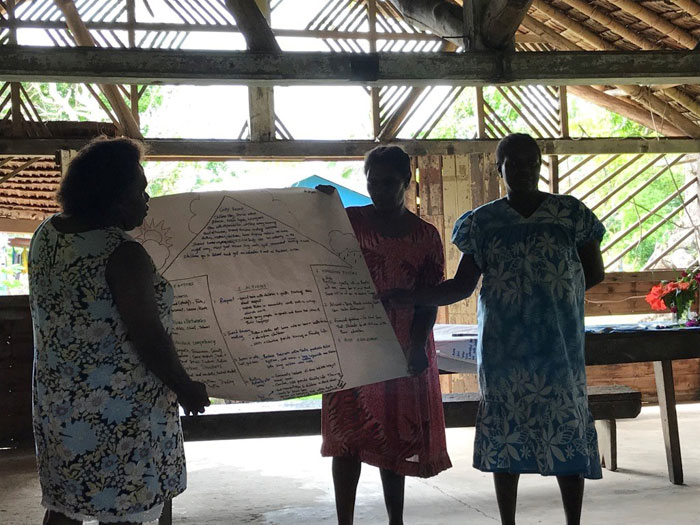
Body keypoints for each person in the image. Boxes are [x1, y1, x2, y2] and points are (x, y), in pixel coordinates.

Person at [384, 133, 605, 525]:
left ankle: (574, 520)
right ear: (498, 167)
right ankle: (508, 521)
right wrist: (411, 297)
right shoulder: (483, 223)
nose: (522, 170)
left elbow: (593, 273)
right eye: (513, 163)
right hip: (504, 350)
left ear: (541, 165)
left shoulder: (571, 214)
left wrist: (549, 296)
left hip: (559, 349)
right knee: (508, 433)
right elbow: (463, 286)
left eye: (530, 162)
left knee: (566, 427)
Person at [28, 137, 210, 525]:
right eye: (139, 190)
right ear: (112, 195)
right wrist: (185, 385)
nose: (147, 200)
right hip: (123, 414)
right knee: (132, 505)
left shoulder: (46, 234)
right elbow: (148, 336)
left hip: (62, 409)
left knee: (66, 504)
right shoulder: (121, 254)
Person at [317, 145, 451, 525]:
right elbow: (312, 244)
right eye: (372, 182)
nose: (379, 189)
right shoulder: (348, 222)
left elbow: (429, 296)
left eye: (388, 182)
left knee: (392, 436)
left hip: (402, 345)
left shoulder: (425, 236)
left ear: (407, 183)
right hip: (353, 343)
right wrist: (319, 208)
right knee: (347, 439)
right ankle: (346, 521)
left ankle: (396, 520)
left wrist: (416, 346)